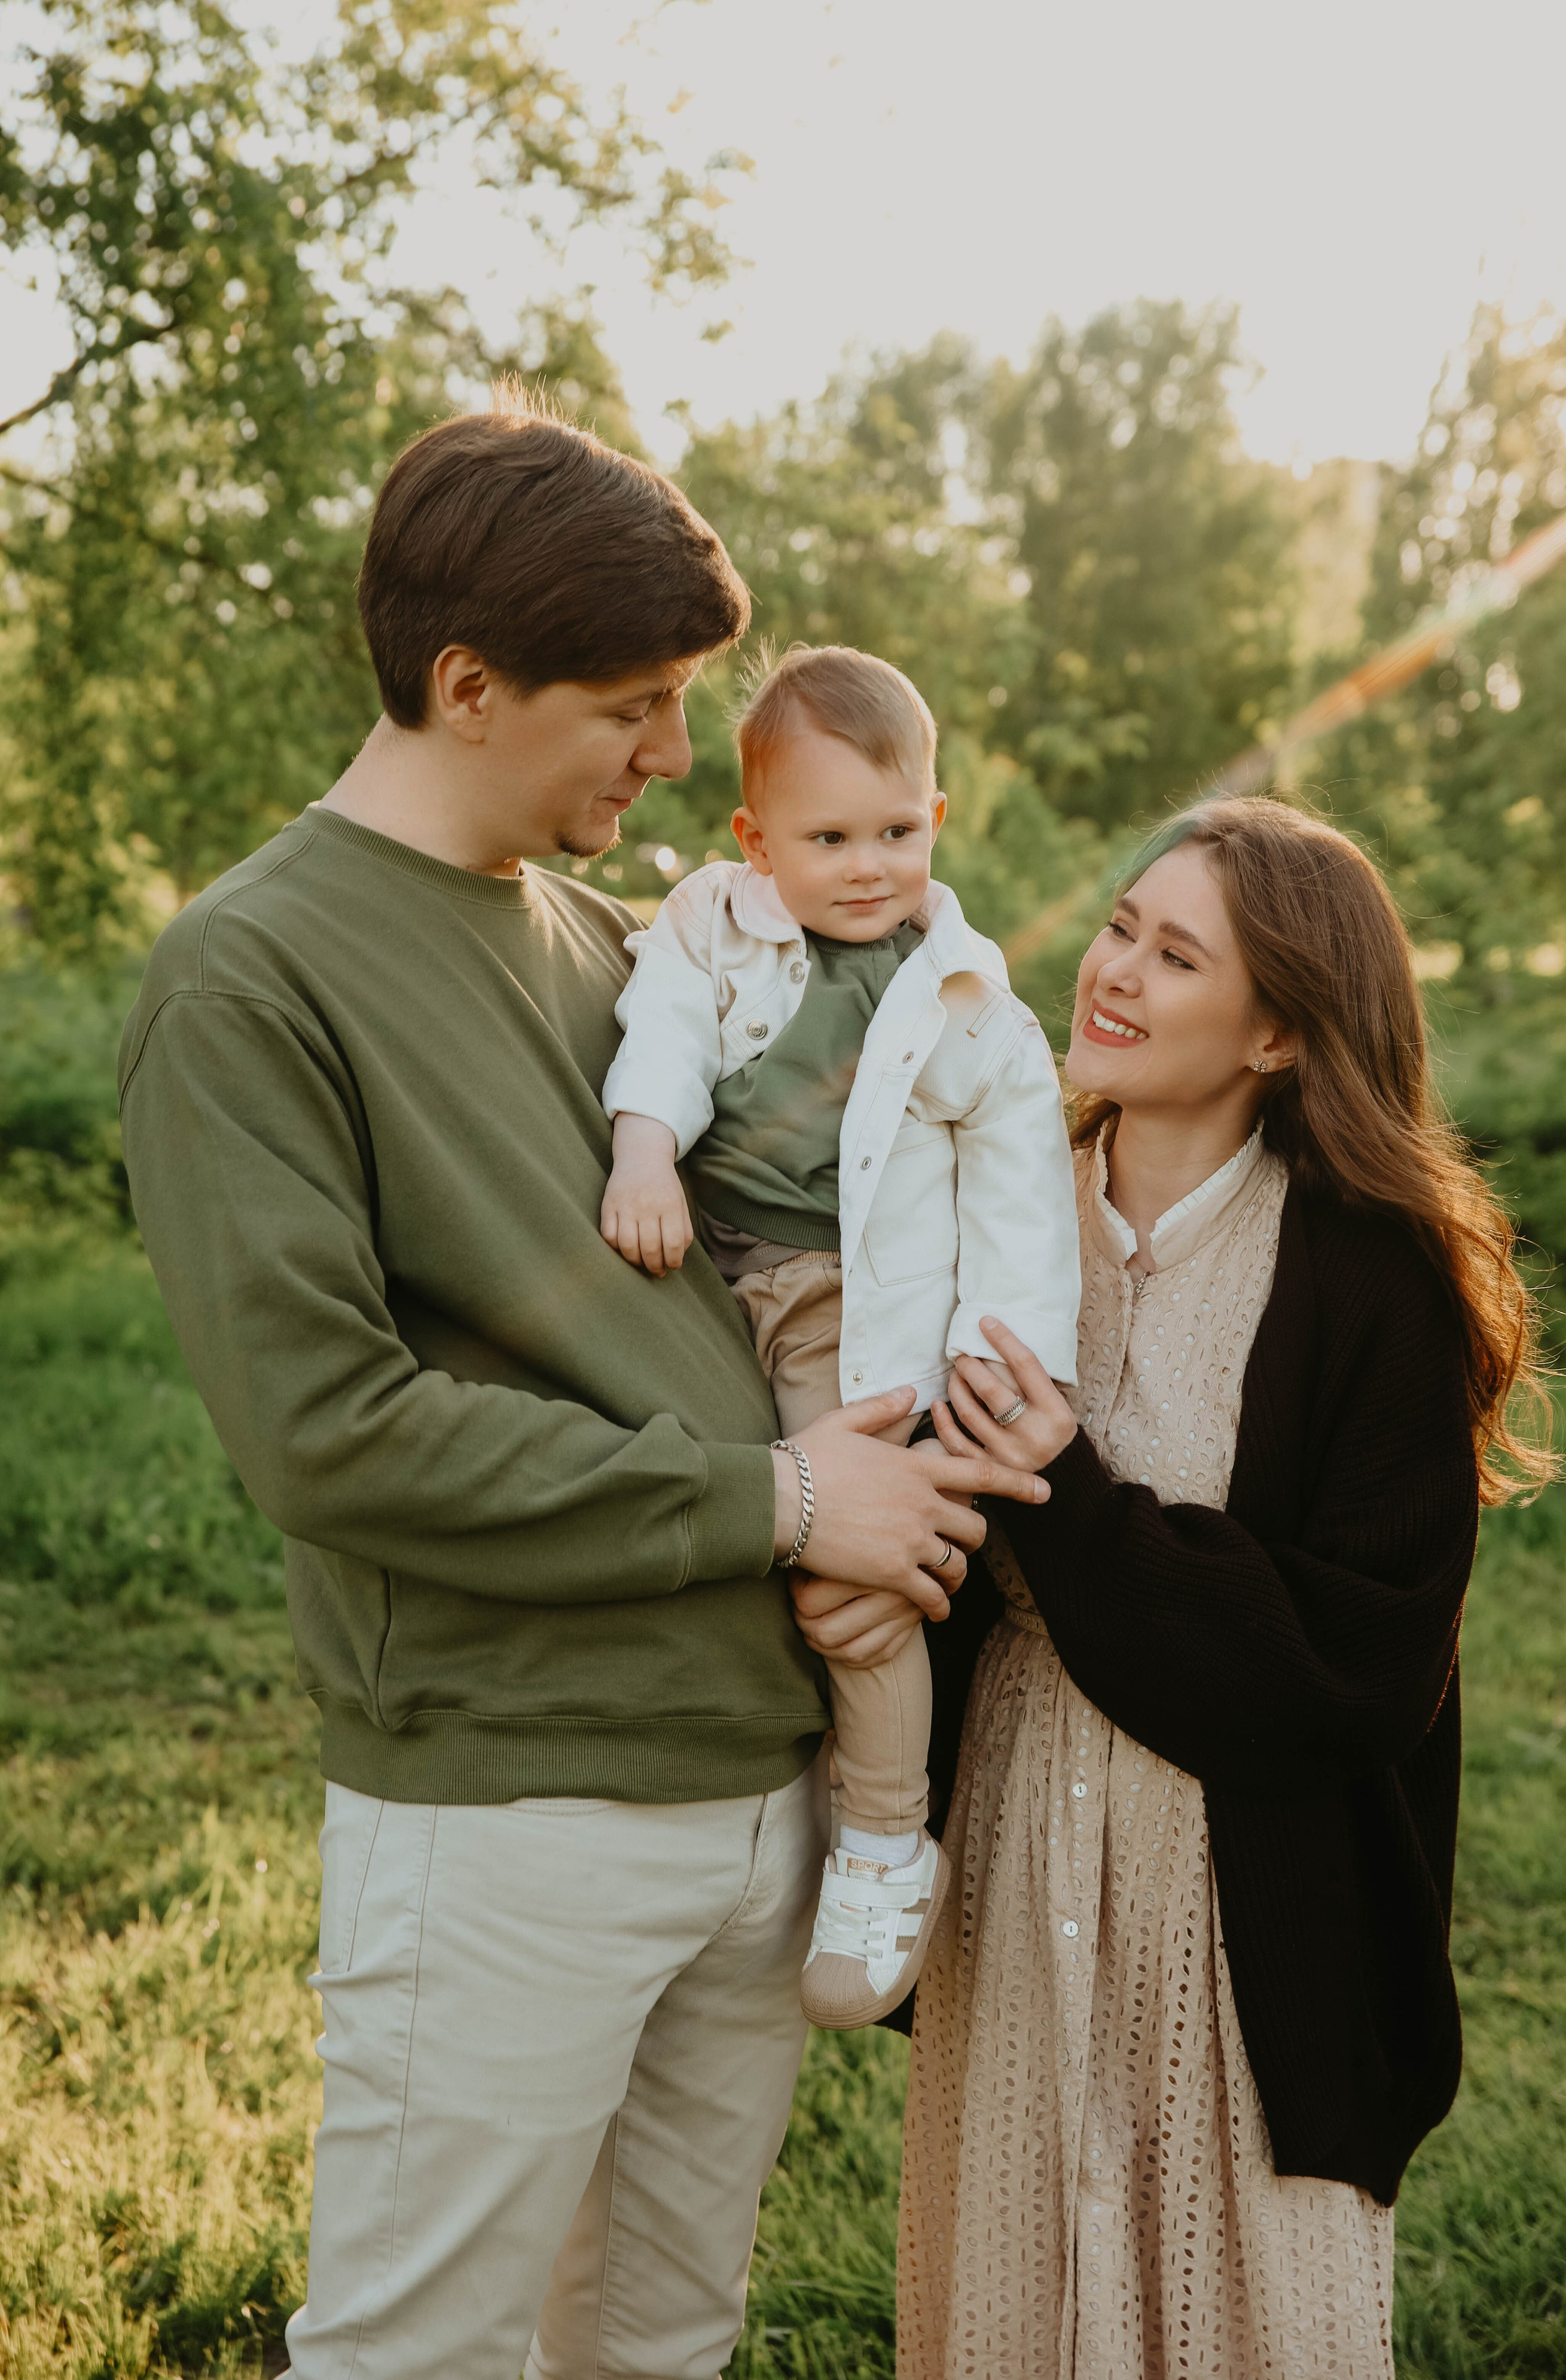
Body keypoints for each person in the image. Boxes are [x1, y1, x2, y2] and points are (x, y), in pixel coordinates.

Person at [116, 390, 1048, 2380]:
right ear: (468, 683)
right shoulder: (247, 979)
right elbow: (330, 1433)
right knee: (420, 2358)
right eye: (632, 702)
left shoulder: (639, 941)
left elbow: (868, 1166)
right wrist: (788, 1504)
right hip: (512, 1803)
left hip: (757, 1778)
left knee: (656, 2346)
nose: (677, 753)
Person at [794, 795, 1554, 2378]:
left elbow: (1354, 1669)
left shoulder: (1371, 1275)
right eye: (1121, 925)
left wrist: (1069, 1505)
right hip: (1011, 1847)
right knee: (1008, 2304)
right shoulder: (988, 1204)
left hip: (1251, 1918)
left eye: (1175, 953)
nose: (1112, 972)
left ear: (1277, 1031)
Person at [599, 643, 1081, 2029]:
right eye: (827, 837)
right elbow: (664, 1035)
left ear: (935, 819)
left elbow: (1018, 1202)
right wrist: (642, 1156)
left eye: (895, 831)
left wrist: (1001, 1370)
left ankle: (880, 1843)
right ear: (755, 841)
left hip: (835, 1306)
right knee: (697, 1512)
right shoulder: (710, 922)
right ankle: (712, 1794)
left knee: (851, 1590)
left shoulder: (968, 1001)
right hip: (691, 1267)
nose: (868, 865)